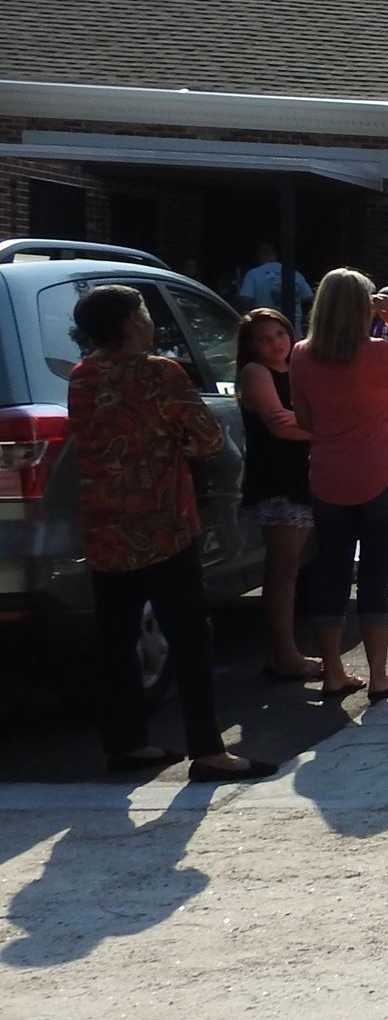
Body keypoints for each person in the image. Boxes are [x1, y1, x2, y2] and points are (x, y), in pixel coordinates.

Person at [65, 285, 277, 782]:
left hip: (104, 526)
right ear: (129, 324)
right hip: (161, 524)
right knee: (191, 636)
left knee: (116, 640)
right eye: (142, 313)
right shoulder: (159, 373)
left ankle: (126, 743)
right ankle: (207, 750)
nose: (148, 321)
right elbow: (206, 438)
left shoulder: (82, 376)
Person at [290, 269, 388, 698]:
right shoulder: (380, 352)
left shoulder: (301, 354)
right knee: (375, 576)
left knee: (330, 573)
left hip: (327, 476)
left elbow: (304, 420)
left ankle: (334, 672)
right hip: (381, 473)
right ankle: (378, 676)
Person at [233, 307, 319, 682]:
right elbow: (280, 426)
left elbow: (302, 420)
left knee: (293, 566)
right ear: (251, 346)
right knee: (283, 568)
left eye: (280, 335)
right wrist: (324, 428)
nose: (275, 344)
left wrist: (308, 424)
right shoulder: (256, 373)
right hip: (277, 480)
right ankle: (285, 655)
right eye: (265, 339)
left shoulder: (298, 368)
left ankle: (284, 652)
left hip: (305, 476)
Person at [236, 242, 310, 327]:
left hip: (266, 325)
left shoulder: (253, 274)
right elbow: (308, 297)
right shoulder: (293, 272)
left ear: (259, 255)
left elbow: (246, 300)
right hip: (292, 326)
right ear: (275, 254)